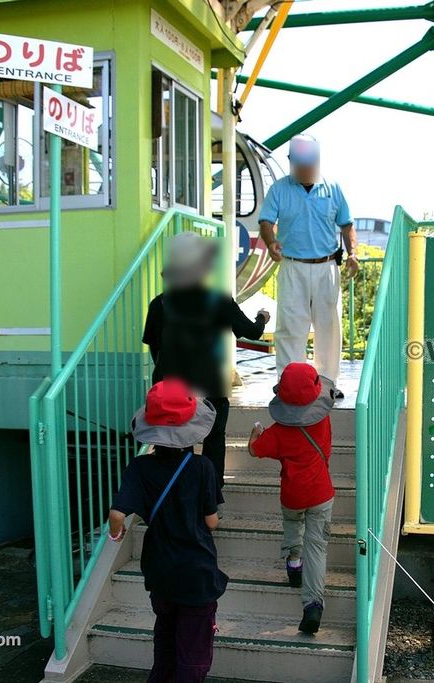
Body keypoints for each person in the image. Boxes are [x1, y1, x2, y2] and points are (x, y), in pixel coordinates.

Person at [108, 379, 228, 682]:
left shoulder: (139, 467)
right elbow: (211, 522)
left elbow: (117, 513)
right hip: (196, 571)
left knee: (165, 637)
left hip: (159, 568)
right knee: (194, 648)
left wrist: (115, 533)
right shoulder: (203, 468)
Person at [143, 231, 270, 504]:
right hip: (209, 384)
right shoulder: (218, 301)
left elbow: (155, 347)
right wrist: (262, 317)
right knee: (213, 439)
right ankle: (211, 496)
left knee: (177, 442)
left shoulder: (160, 303)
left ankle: (179, 494)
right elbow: (251, 332)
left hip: (171, 387)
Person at [258, 134, 357, 397]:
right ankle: (288, 383)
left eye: (309, 165)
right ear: (291, 162)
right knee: (290, 326)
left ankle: (326, 384)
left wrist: (353, 254)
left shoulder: (333, 188)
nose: (304, 170)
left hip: (326, 267)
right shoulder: (279, 188)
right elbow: (266, 222)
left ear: (318, 161)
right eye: (299, 165)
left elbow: (347, 225)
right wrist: (271, 243)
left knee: (328, 326)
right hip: (292, 266)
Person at [247, 362, 336, 634]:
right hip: (321, 492)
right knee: (317, 547)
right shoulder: (323, 421)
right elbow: (328, 452)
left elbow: (254, 450)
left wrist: (256, 432)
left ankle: (294, 564)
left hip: (292, 495)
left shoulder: (278, 431)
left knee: (293, 526)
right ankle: (312, 605)